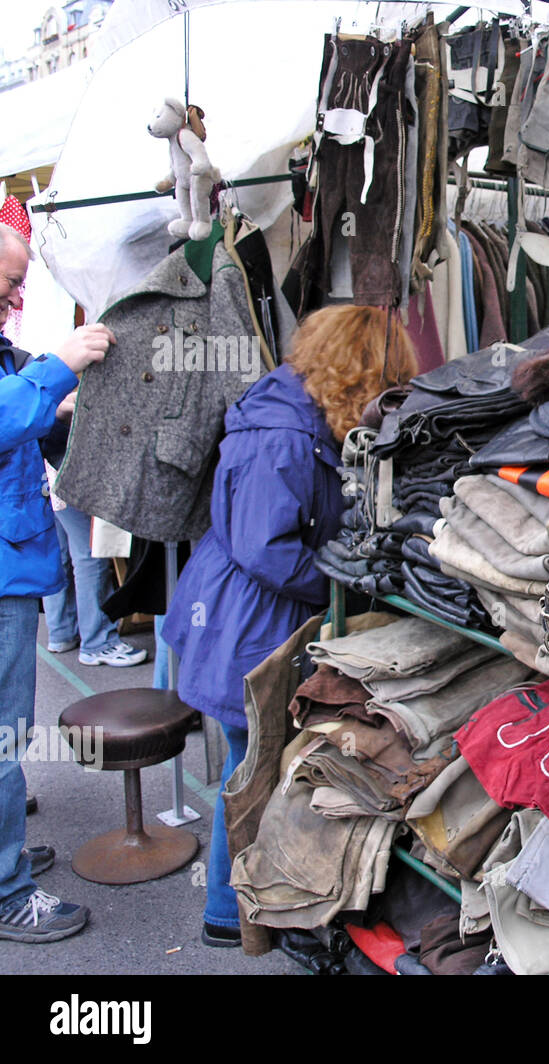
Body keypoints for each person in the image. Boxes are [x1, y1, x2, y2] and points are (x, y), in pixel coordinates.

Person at [161, 304, 416, 946]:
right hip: (243, 623)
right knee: (251, 771)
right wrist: (341, 582)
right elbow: (263, 545)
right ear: (361, 377)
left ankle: (245, 904)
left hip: (242, 615)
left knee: (256, 764)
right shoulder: (282, 434)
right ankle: (226, 914)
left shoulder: (296, 415)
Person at [0, 222, 114, 943]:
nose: (14, 298)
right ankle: (8, 891)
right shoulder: (32, 368)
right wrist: (56, 369)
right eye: (8, 284)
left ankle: (4, 854)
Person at [40, 416, 149, 667]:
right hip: (70, 467)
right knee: (90, 554)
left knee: (62, 552)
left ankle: (61, 632)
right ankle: (98, 642)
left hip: (48, 467)